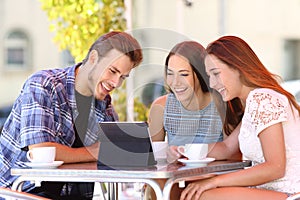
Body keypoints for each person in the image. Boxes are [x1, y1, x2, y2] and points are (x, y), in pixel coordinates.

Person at [0, 31, 143, 199]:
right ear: (93, 58)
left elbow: (113, 154)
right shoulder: (44, 85)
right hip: (18, 193)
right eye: (112, 71)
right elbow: (41, 151)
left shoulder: (104, 107)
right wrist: (96, 152)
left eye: (123, 77)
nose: (116, 83)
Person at [180, 35, 300, 200]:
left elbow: (275, 167)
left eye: (216, 73)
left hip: (291, 194)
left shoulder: (262, 99)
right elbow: (227, 148)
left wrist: (214, 181)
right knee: (191, 191)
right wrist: (183, 149)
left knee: (202, 196)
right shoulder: (255, 101)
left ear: (238, 67)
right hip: (272, 192)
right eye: (209, 76)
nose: (213, 84)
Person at [146, 41, 229, 200]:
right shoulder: (161, 107)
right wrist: (168, 157)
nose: (175, 82)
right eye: (170, 73)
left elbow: (233, 154)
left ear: (200, 74)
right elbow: (153, 160)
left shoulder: (221, 104)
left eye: (183, 74)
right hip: (175, 183)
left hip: (212, 183)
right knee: (161, 184)